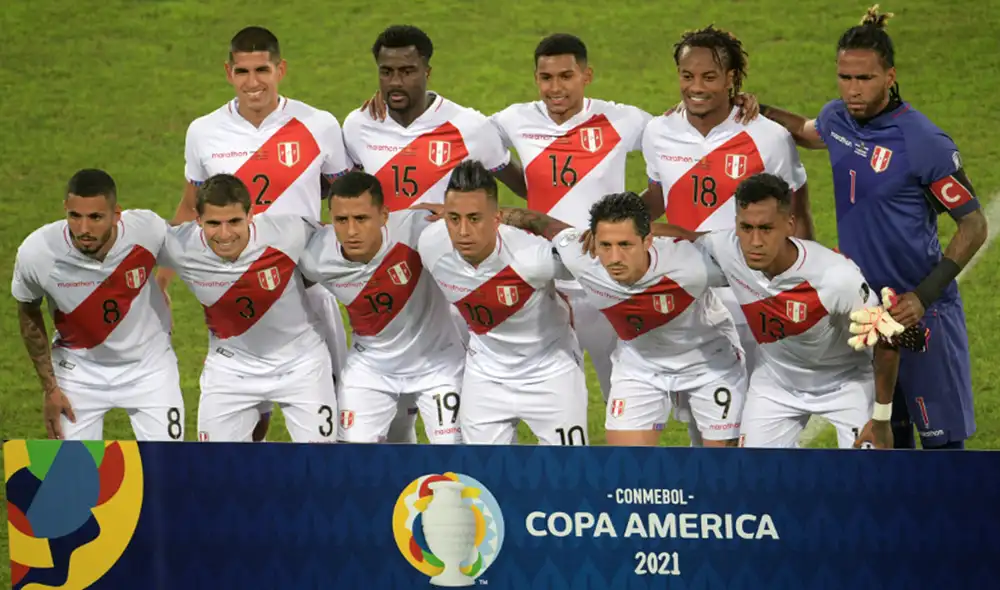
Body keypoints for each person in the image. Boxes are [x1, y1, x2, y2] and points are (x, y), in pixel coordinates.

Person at [757, 6, 987, 449]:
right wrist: (756, 108)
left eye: (865, 79)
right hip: (864, 315)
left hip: (920, 311)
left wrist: (923, 296)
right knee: (886, 439)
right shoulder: (838, 119)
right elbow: (809, 131)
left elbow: (973, 225)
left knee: (943, 447)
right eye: (845, 77)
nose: (852, 90)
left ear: (891, 76)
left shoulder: (924, 143)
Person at [156, 26, 351, 442]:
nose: (253, 82)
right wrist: (163, 279)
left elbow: (343, 196)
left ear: (281, 69)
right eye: (242, 71)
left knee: (334, 399)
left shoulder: (319, 124)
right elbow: (192, 205)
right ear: (228, 72)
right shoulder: (203, 131)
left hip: (306, 285)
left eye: (262, 69)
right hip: (235, 284)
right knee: (247, 413)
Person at [346, 24, 529, 442]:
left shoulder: (470, 126)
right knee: (392, 412)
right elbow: (348, 196)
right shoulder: (357, 126)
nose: (396, 82)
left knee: (467, 414)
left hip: (456, 281)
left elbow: (522, 188)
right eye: (386, 72)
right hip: (391, 281)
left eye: (408, 71)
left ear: (429, 70)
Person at [641, 25, 813, 446]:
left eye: (709, 77)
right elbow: (660, 197)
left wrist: (803, 286)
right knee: (708, 431)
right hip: (690, 301)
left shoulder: (767, 136)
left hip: (753, 296)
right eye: (687, 76)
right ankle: (720, 510)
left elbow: (798, 214)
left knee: (763, 427)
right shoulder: (658, 132)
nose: (695, 87)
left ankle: (769, 509)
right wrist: (619, 227)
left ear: (733, 78)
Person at [668, 173, 900, 448]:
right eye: (746, 227)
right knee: (753, 477)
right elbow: (684, 238)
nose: (754, 241)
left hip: (845, 383)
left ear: (789, 225)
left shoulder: (836, 279)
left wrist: (882, 419)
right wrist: (632, 236)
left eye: (766, 228)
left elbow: (887, 339)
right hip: (775, 383)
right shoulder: (727, 248)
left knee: (867, 478)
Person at [500, 192, 746, 447]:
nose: (615, 258)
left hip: (709, 363)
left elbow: (746, 256)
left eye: (625, 245)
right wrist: (494, 216)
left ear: (648, 240)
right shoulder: (581, 255)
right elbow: (541, 223)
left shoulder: (691, 264)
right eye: (605, 245)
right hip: (640, 366)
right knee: (625, 467)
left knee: (722, 471)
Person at [487, 33, 654, 403]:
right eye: (546, 78)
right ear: (536, 78)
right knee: (553, 397)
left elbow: (677, 141)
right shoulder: (515, 119)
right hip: (546, 285)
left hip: (607, 281)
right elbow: (472, 141)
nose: (555, 88)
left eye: (566, 76)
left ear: (586, 75)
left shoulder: (622, 119)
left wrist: (632, 222)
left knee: (625, 393)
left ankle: (628, 459)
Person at [417, 160, 588, 445]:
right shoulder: (431, 245)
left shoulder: (532, 257)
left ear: (497, 218)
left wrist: (529, 219)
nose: (462, 232)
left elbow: (585, 254)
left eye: (475, 218)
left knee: (569, 476)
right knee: (485, 479)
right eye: (454, 218)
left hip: (551, 374)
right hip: (485, 377)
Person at [159, 174, 337, 443]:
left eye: (234, 221)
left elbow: (344, 240)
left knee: (323, 463)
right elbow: (124, 242)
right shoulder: (181, 245)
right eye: (213, 224)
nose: (225, 234)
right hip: (230, 369)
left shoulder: (288, 232)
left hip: (302, 365)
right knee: (216, 469)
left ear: (251, 214)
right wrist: (157, 289)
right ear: (198, 221)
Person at [11, 169, 184, 441]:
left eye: (95, 217)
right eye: (74, 216)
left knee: (167, 469)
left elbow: (196, 260)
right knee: (76, 478)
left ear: (116, 215)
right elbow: (28, 312)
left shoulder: (147, 231)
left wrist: (162, 285)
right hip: (77, 374)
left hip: (150, 369)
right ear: (65, 209)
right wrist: (50, 388)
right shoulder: (38, 253)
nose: (84, 229)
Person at [299, 171, 465, 443]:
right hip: (371, 368)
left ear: (385, 215)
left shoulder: (418, 229)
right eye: (341, 220)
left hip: (438, 365)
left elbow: (483, 232)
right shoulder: (315, 259)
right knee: (355, 463)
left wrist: (456, 214)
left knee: (453, 457)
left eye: (361, 219)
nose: (351, 231)